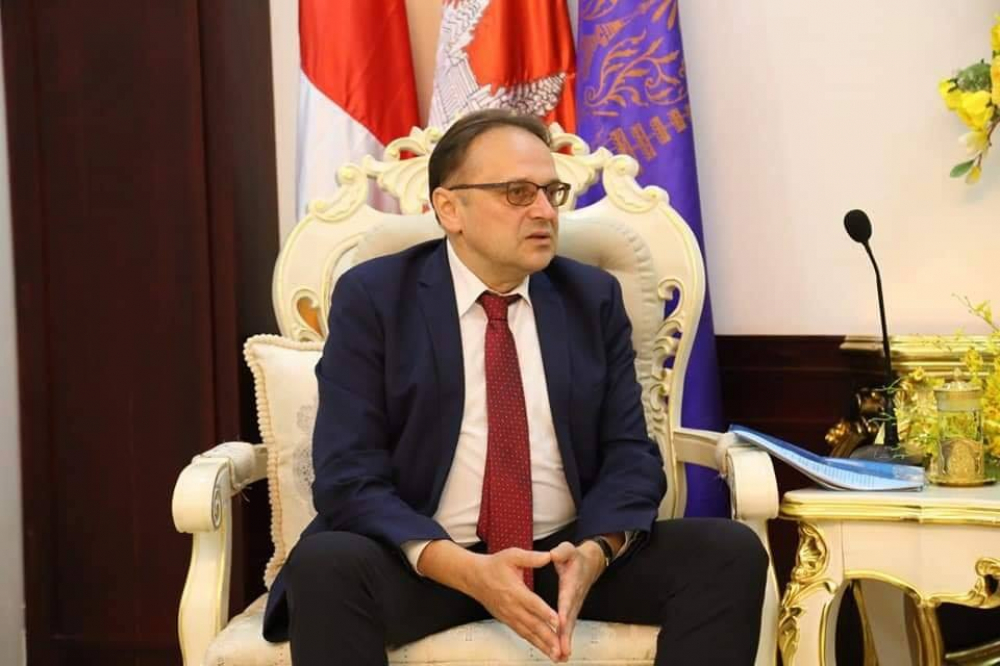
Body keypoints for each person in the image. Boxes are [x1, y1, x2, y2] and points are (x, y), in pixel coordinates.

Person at [262, 109, 768, 665]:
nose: (545, 211)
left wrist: (596, 552)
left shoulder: (591, 299)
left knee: (728, 552)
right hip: (426, 562)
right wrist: (462, 568)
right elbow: (347, 473)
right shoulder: (376, 297)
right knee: (326, 565)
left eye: (552, 192)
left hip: (561, 558)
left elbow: (630, 456)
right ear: (449, 208)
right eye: (518, 193)